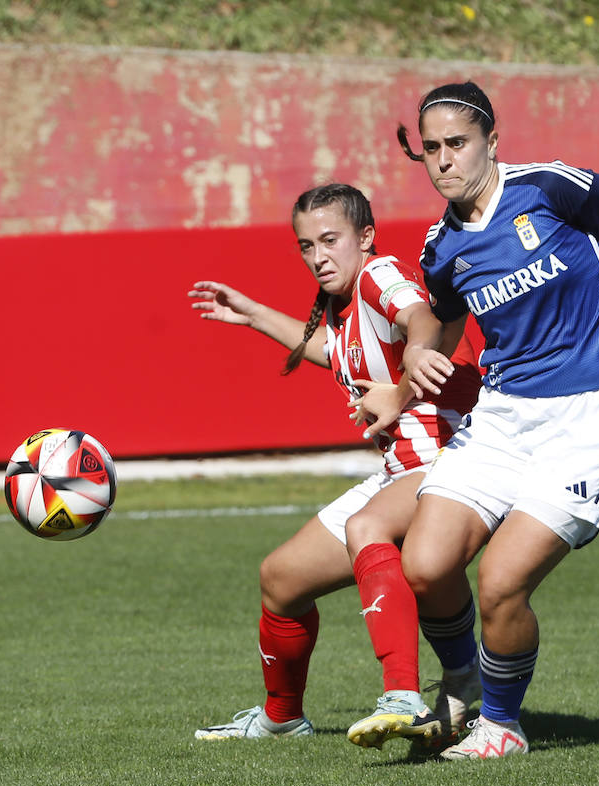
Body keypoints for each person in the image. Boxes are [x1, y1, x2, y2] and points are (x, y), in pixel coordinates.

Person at [364, 81, 599, 760]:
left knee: (502, 581)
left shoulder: (551, 187)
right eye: (431, 148)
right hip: (504, 417)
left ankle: (503, 725)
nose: (445, 159)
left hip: (590, 413)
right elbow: (444, 326)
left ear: (491, 140)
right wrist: (407, 380)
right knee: (425, 563)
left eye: (458, 143)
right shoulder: (441, 247)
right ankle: (461, 679)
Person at [187, 182, 481, 751]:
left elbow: (419, 316)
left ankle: (403, 695)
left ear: (364, 237)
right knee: (281, 579)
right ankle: (281, 717)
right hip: (404, 468)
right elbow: (334, 351)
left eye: (329, 240)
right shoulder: (347, 309)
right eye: (305, 246)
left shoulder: (377, 275)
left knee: (365, 527)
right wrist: (252, 315)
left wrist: (412, 365)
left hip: (446, 456)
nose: (317, 256)